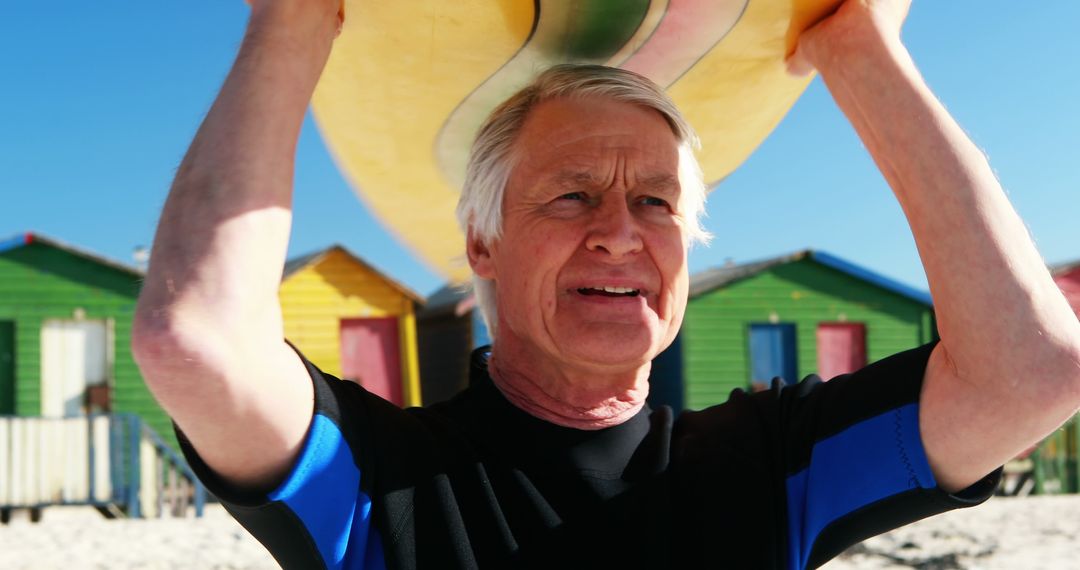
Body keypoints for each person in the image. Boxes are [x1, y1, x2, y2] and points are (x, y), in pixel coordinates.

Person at [131, 0, 1080, 568]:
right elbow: (196, 342)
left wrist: (861, 53)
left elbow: (1031, 372)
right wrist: (291, 23)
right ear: (483, 242)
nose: (621, 234)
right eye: (573, 194)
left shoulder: (770, 466)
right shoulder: (382, 482)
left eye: (659, 205)